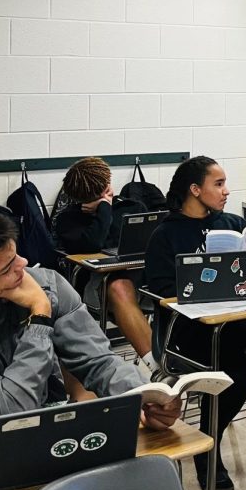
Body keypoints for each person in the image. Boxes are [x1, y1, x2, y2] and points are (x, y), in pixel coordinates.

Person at [0, 213, 231, 490]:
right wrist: (39, 318)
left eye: (17, 255)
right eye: (8, 267)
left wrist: (141, 396)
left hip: (50, 444)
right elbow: (12, 410)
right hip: (6, 473)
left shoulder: (46, 286)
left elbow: (101, 362)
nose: (23, 267)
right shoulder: (40, 301)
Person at [145, 156, 246, 490]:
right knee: (233, 377)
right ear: (194, 190)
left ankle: (219, 435)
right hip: (187, 332)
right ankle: (208, 451)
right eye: (219, 184)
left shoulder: (234, 223)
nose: (226, 191)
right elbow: (163, 289)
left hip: (232, 324)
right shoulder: (165, 235)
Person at [52, 157, 157, 373]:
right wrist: (104, 209)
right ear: (108, 185)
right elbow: (94, 243)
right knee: (119, 284)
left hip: (142, 281)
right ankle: (158, 366)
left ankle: (181, 361)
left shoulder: (131, 207)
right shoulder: (68, 220)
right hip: (98, 288)